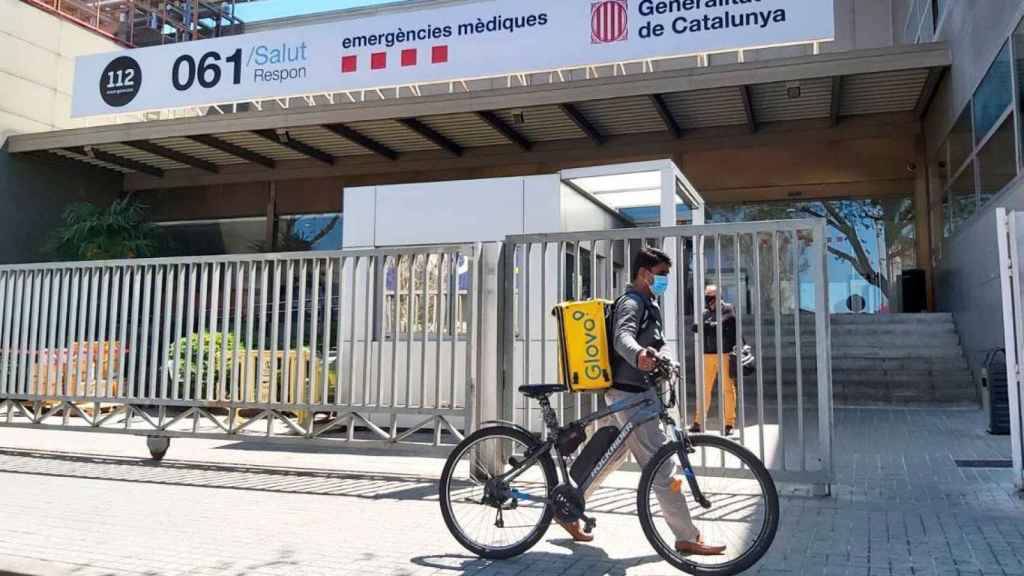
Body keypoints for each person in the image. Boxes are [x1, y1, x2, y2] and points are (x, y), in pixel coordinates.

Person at [558, 247, 726, 556]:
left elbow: (649, 342)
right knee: (663, 466)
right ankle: (686, 535)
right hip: (630, 396)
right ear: (644, 273)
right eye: (662, 274)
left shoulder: (648, 302)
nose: (665, 280)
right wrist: (638, 354)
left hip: (631, 393)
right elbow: (623, 337)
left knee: (611, 456)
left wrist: (661, 359)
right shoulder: (632, 302)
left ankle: (567, 507)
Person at [690, 284, 737, 436]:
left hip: (724, 352)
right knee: (705, 389)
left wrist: (708, 325)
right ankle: (699, 422)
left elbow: (723, 322)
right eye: (707, 295)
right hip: (708, 353)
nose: (708, 298)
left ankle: (729, 423)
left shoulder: (728, 308)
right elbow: (697, 327)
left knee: (727, 388)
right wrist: (707, 325)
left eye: (711, 295)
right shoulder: (705, 313)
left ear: (718, 296)